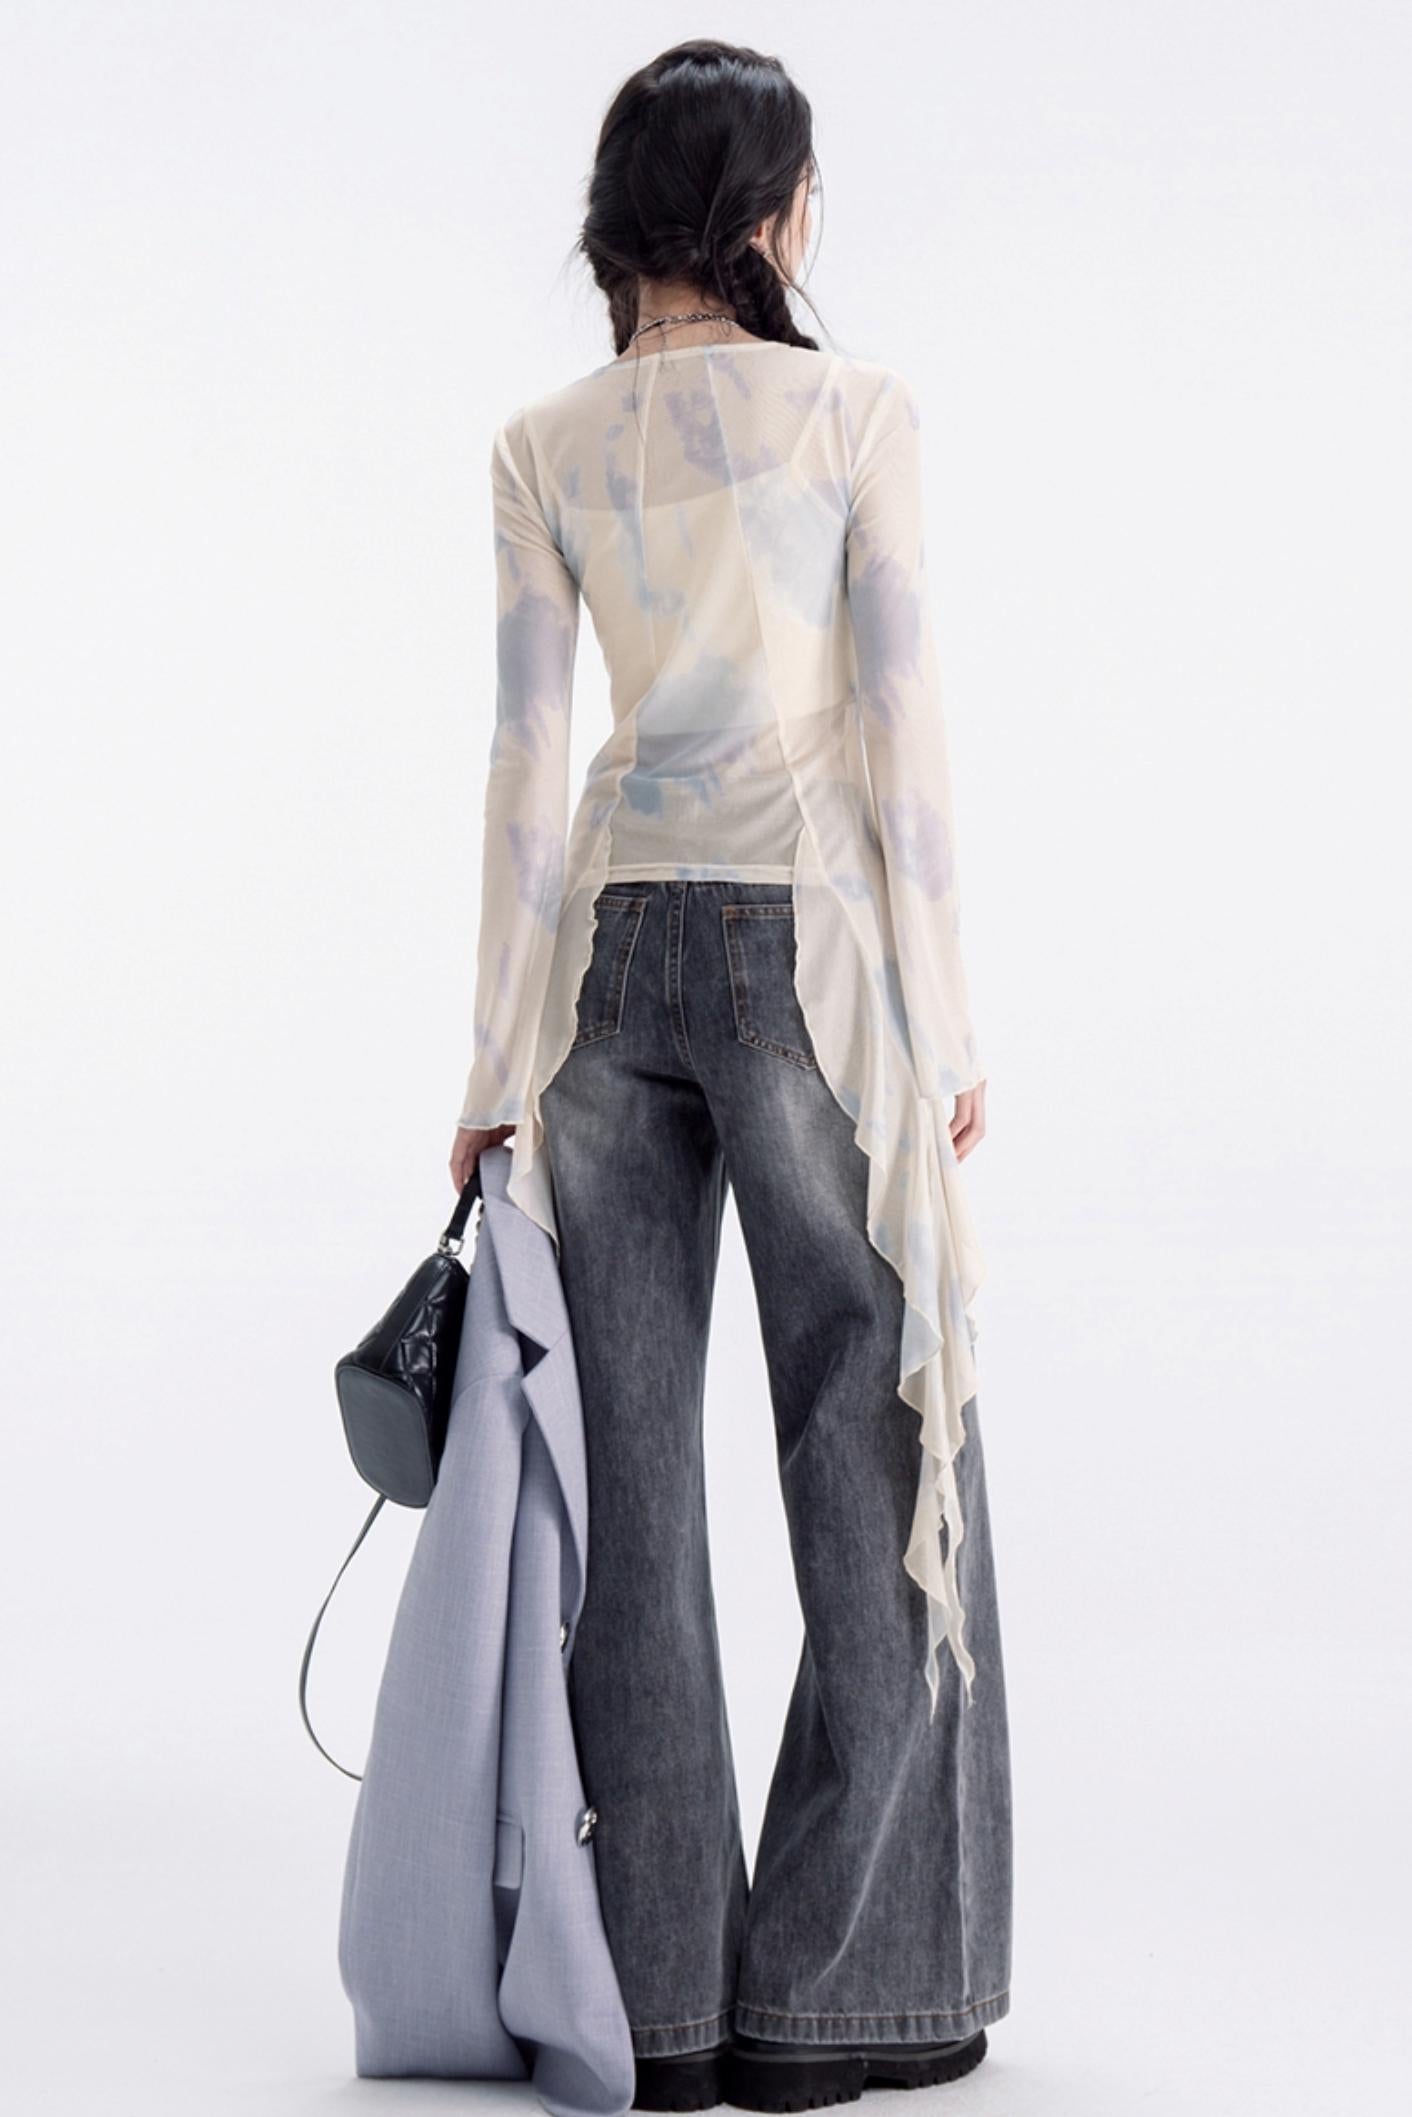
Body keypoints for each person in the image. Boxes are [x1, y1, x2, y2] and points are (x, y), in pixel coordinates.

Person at [450, 37, 1012, 2114]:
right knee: (871, 1441)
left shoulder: (544, 443)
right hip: (808, 957)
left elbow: (528, 764)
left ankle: (660, 2012)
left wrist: (493, 1056)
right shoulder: (855, 413)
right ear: (771, 212)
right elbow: (899, 738)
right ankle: (838, 2001)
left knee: (629, 1485)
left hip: (606, 962)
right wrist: (943, 1024)